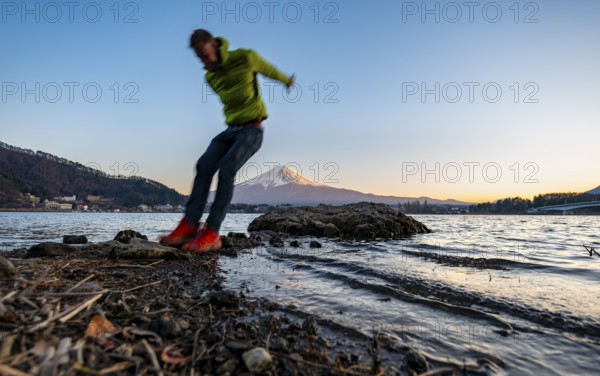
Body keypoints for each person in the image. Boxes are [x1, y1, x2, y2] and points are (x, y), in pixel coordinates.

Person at [160, 29, 295, 253]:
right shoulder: (210, 77)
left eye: (205, 54)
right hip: (231, 130)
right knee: (203, 165)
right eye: (199, 57)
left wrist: (286, 80)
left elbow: (267, 69)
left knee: (227, 168)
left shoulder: (245, 57)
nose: (203, 61)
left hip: (253, 130)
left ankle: (212, 232)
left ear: (215, 45)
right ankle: (189, 226)